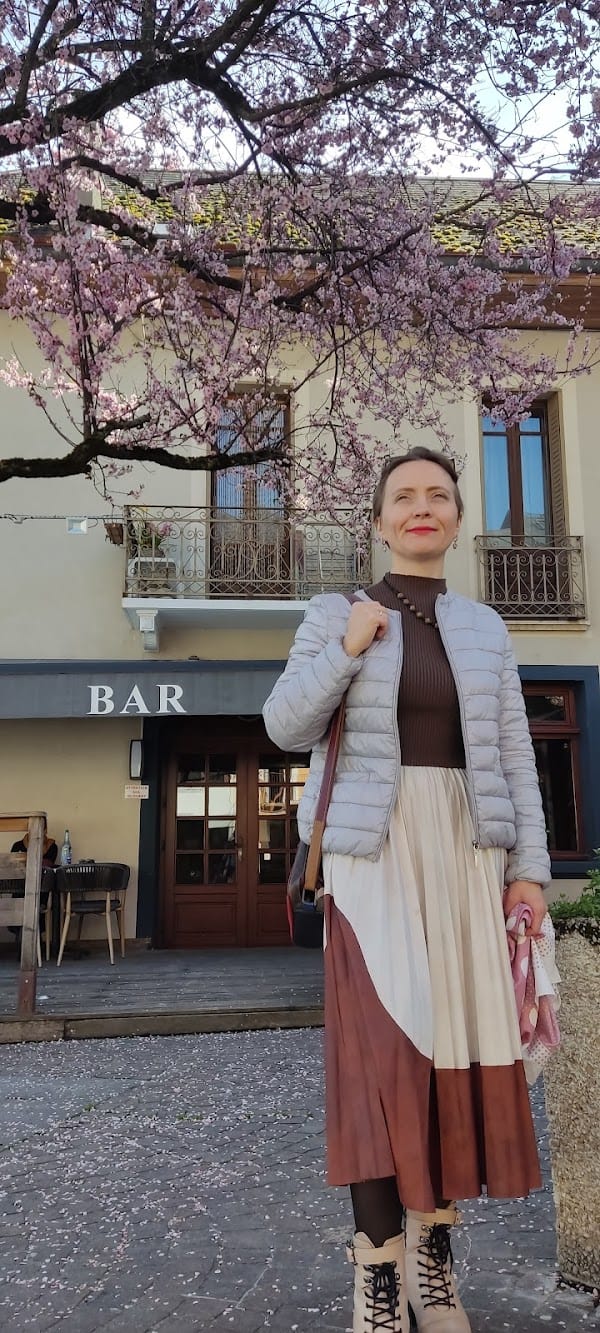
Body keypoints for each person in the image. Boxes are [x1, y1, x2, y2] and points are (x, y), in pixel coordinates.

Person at [262, 447, 551, 1333]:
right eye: (403, 497)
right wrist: (349, 649)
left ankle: (435, 1263)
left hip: (466, 853)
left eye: (438, 496)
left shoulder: (487, 629)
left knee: (450, 1061)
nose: (421, 508)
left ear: (457, 518)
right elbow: (285, 726)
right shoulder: (336, 611)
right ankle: (377, 1274)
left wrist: (530, 870)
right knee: (383, 1064)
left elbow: (513, 758)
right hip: (374, 860)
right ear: (379, 522)